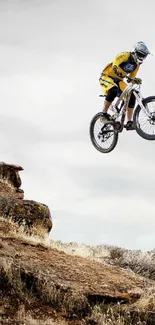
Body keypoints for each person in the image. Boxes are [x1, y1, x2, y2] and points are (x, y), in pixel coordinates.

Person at [99, 41, 150, 130]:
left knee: (132, 95)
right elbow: (115, 62)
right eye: (140, 55)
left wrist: (134, 80)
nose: (142, 57)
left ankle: (129, 122)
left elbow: (131, 79)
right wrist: (115, 68)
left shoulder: (136, 65)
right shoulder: (125, 55)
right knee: (113, 90)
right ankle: (103, 114)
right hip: (107, 76)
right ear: (135, 52)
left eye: (143, 56)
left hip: (119, 80)